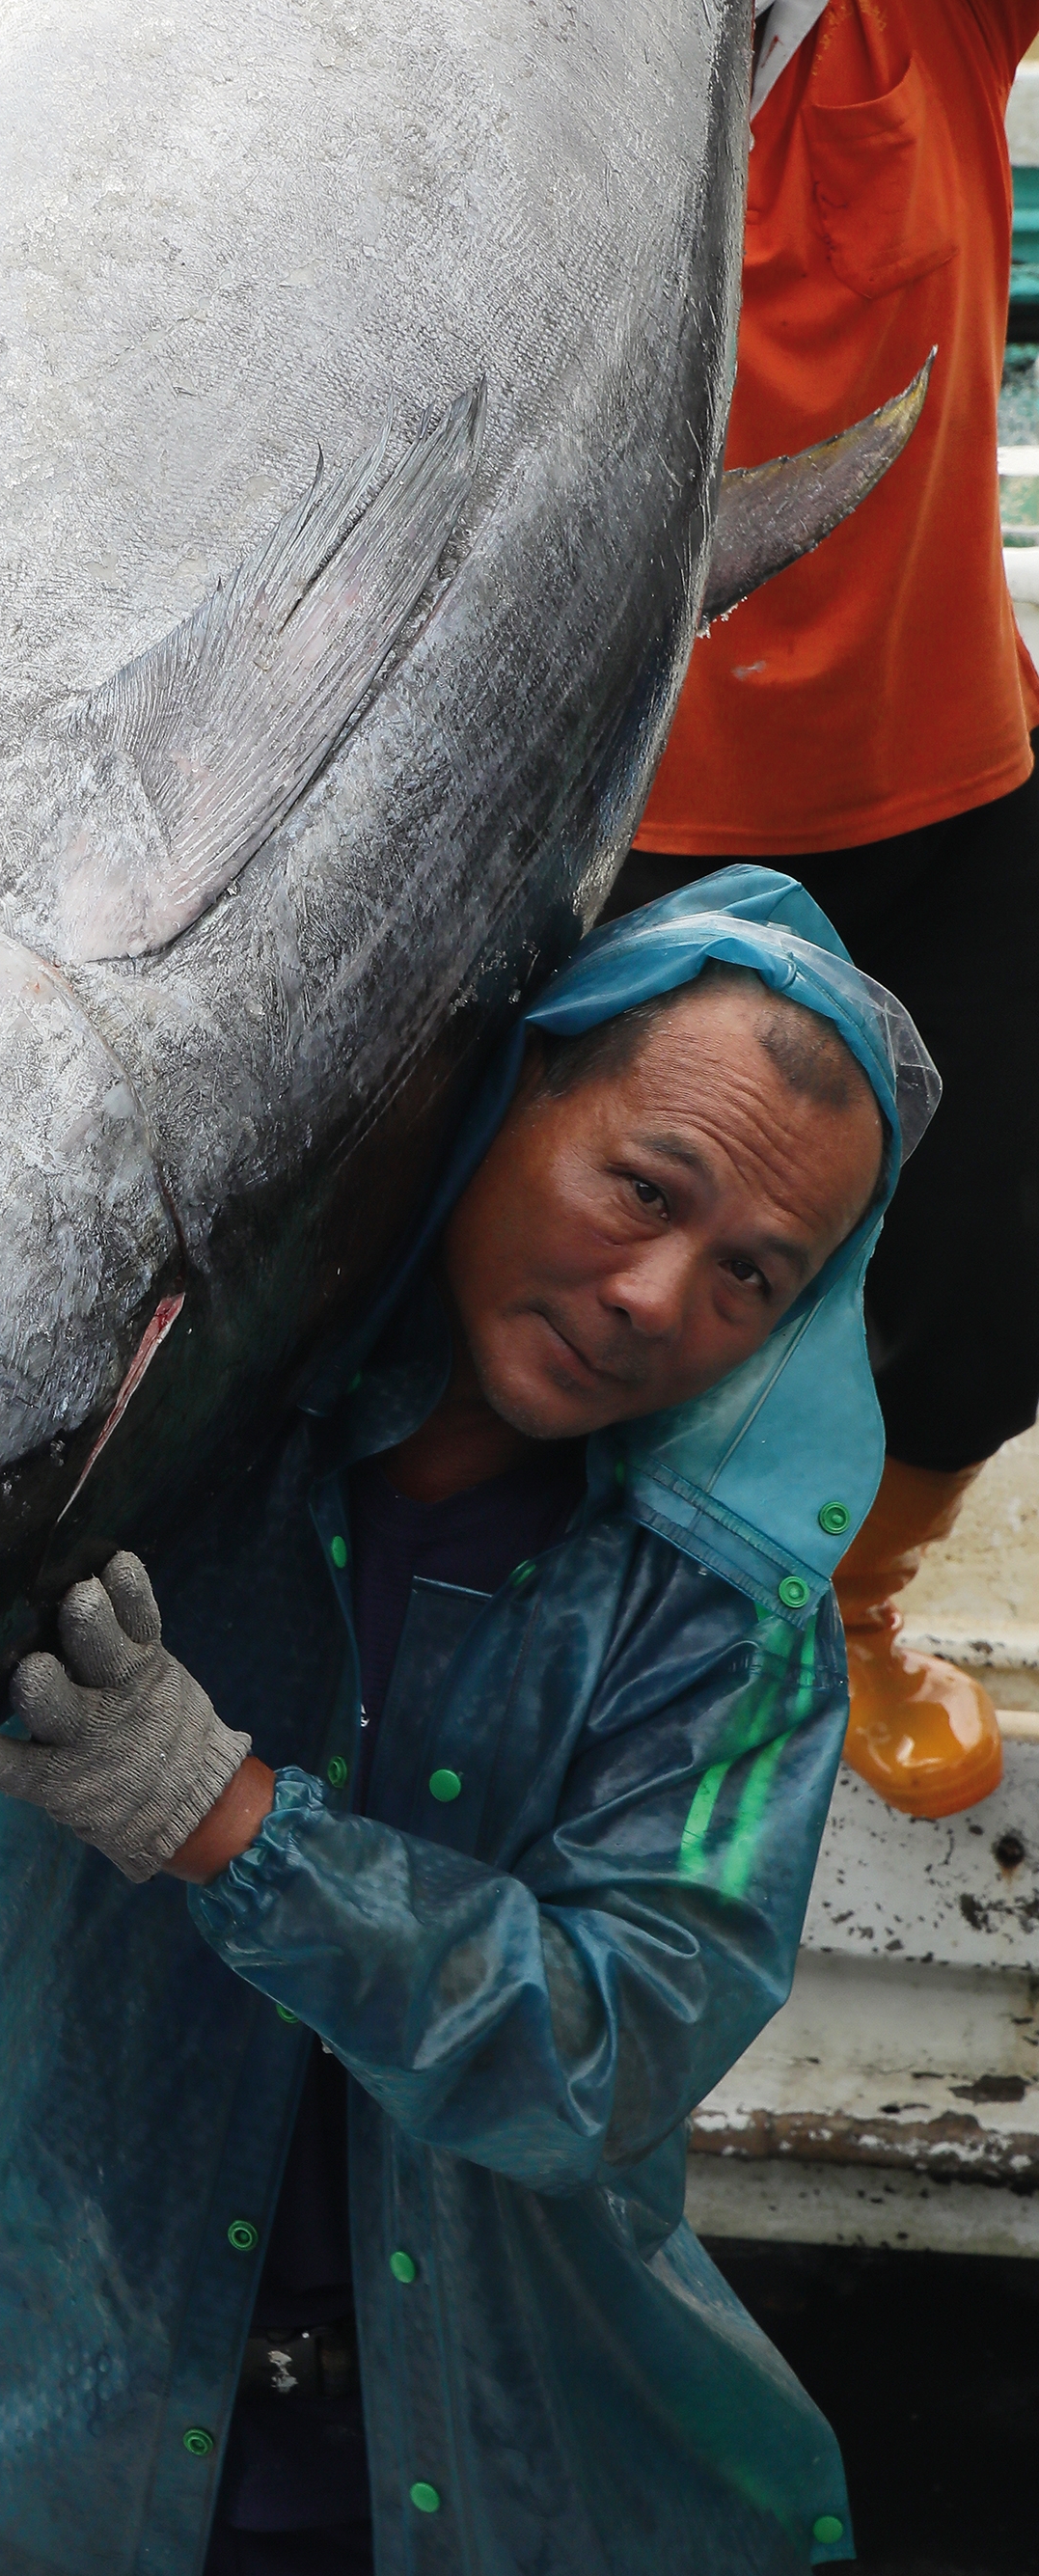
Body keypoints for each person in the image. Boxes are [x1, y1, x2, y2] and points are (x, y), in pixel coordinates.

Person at [0, 870, 938, 2576]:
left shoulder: (728, 1628)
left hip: (490, 2478)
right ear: (514, 1089)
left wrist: (227, 1821)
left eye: (751, 1275)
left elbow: (610, 2045)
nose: (657, 1295)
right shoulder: (154, 1413)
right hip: (28, 2428)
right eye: (645, 1188)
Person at [611, 0, 1039, 1819]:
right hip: (623, 827)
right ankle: (591, 1628)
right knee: (606, 1277)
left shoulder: (925, 26)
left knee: (993, 1275)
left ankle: (853, 1603)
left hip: (955, 787)